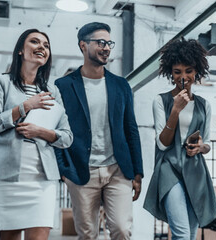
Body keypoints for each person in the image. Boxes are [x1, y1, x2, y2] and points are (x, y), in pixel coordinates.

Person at [0, 28, 73, 240]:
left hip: (42, 180)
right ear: (21, 50)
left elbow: (67, 137)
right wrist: (24, 107)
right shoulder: (1, 82)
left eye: (46, 45)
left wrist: (40, 131)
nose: (42, 47)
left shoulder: (52, 91)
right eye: (34, 42)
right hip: (7, 178)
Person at [53, 22, 143, 240]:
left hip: (117, 169)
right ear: (83, 45)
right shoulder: (64, 86)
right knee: (87, 233)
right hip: (82, 171)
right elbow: (56, 130)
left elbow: (131, 128)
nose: (106, 48)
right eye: (100, 42)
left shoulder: (121, 85)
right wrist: (64, 171)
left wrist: (138, 172)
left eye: (109, 43)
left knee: (122, 229)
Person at [144, 38, 216, 240]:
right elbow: (162, 143)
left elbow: (208, 143)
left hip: (195, 171)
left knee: (191, 235)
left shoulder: (204, 105)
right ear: (171, 73)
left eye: (188, 71)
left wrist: (201, 147)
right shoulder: (161, 101)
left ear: (196, 71)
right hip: (170, 169)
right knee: (182, 234)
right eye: (177, 72)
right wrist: (175, 110)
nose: (183, 77)